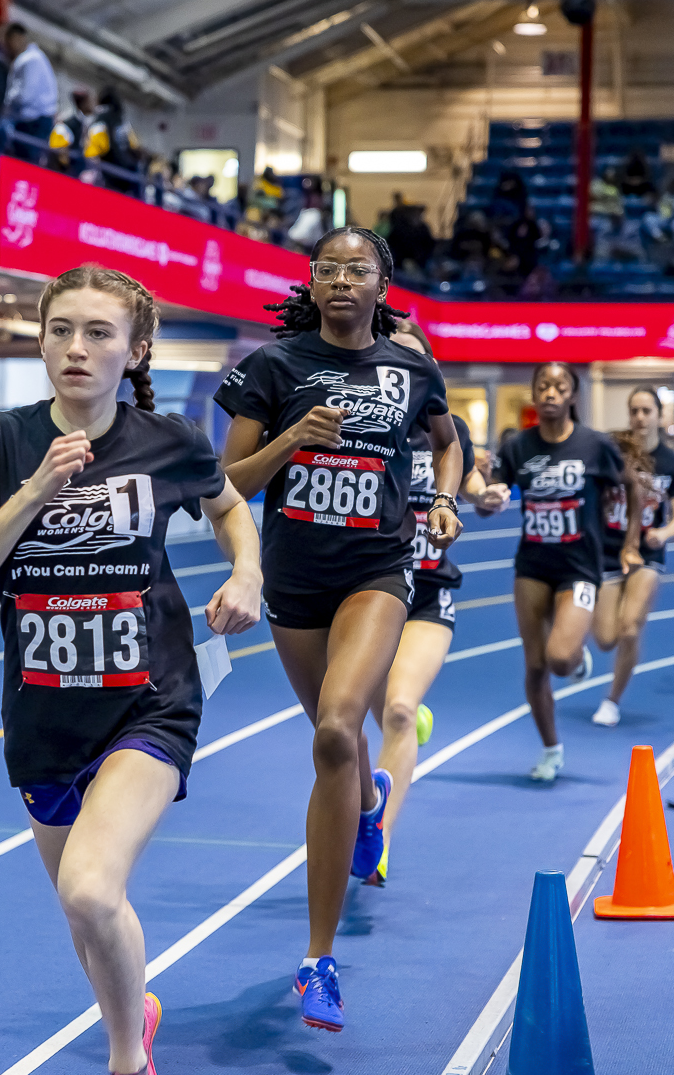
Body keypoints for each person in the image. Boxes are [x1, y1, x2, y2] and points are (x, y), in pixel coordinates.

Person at [0, 266, 262, 1075]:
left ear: (135, 348)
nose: (76, 348)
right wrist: (34, 491)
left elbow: (228, 506)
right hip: (43, 715)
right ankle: (133, 1013)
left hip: (150, 699)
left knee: (88, 888)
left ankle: (126, 1061)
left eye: (99, 334)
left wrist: (246, 571)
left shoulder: (169, 440)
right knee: (87, 914)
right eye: (61, 330)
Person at [213, 227, 463, 1032]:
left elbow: (449, 444)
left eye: (359, 269)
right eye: (328, 269)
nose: (342, 280)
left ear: (381, 284)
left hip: (377, 572)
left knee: (332, 731)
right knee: (340, 740)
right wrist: (291, 439)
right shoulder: (272, 366)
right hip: (295, 579)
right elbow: (224, 486)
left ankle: (317, 960)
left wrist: (446, 500)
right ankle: (368, 803)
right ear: (313, 283)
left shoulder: (410, 367)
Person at [366, 321, 505, 885]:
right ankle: (409, 718)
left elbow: (468, 483)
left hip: (427, 590)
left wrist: (487, 495)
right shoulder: (363, 426)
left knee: (396, 712)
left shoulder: (450, 431)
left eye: (415, 359)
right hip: (368, 588)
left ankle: (379, 839)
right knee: (358, 715)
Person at [488, 363, 639, 782]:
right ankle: (551, 749)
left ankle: (574, 657)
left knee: (558, 659)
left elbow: (631, 485)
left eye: (560, 386)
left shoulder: (595, 445)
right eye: (543, 386)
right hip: (532, 566)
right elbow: (492, 495)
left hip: (579, 568)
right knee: (535, 665)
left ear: (573, 395)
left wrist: (628, 543)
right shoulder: (519, 446)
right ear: (534, 394)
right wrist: (488, 497)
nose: (551, 392)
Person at [589, 388, 674, 727]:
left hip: (647, 553)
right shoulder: (613, 454)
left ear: (658, 416)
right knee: (606, 639)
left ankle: (612, 700)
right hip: (607, 552)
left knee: (630, 627)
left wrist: (661, 534)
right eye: (634, 410)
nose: (639, 417)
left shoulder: (670, 463)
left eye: (646, 411)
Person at [4, 22, 58, 164]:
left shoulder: (30, 60)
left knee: (25, 163)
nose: (7, 46)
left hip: (34, 122)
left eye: (9, 41)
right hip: (34, 121)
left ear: (17, 38)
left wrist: (7, 100)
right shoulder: (33, 58)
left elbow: (25, 95)